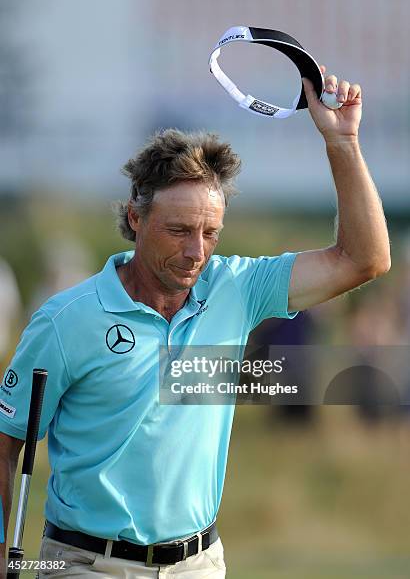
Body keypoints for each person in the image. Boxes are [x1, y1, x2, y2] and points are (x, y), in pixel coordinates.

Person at [0, 68, 391, 578]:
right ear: (136, 218)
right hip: (85, 563)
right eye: (179, 230)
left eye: (210, 232)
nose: (195, 251)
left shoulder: (238, 289)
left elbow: (365, 258)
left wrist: (343, 142)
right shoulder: (66, 320)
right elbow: (7, 440)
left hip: (199, 565)